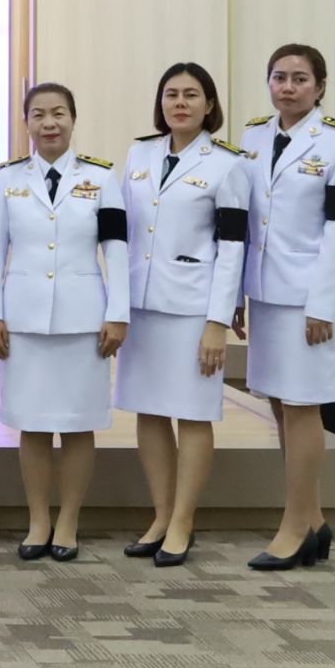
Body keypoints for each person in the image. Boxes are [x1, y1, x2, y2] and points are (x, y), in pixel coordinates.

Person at [0, 82, 129, 563]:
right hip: (22, 320)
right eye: (39, 115)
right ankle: (38, 520)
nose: (49, 123)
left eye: (59, 113)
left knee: (79, 425)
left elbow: (116, 249)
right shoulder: (6, 179)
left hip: (84, 321)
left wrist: (118, 313)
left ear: (73, 119)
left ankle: (68, 521)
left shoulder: (102, 177)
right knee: (32, 424)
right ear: (26, 122)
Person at [116, 61, 251, 568]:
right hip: (142, 304)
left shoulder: (228, 164)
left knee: (193, 413)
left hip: (194, 308)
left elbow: (232, 247)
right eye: (171, 94)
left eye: (191, 94)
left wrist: (219, 320)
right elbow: (124, 232)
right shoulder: (139, 154)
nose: (180, 103)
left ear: (209, 104)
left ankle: (183, 522)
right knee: (149, 411)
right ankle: (160, 515)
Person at [239, 43, 335, 571]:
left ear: (319, 87)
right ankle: (312, 520)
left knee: (302, 405)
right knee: (277, 402)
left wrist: (323, 304)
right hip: (266, 292)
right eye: (279, 77)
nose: (288, 87)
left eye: (299, 79)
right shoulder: (253, 137)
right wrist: (236, 295)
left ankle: (293, 526)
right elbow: (244, 221)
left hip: (312, 298)